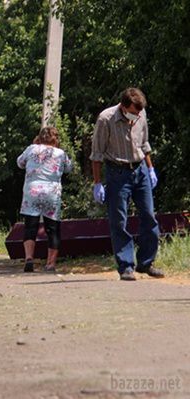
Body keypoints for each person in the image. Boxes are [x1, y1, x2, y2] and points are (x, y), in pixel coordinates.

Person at [90, 87, 164, 281]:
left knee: (149, 216)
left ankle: (146, 262)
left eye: (139, 112)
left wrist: (150, 169)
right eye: (133, 112)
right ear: (123, 107)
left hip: (140, 170)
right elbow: (96, 153)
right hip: (117, 172)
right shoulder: (106, 119)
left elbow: (144, 144)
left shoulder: (141, 113)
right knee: (119, 220)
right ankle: (126, 266)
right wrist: (97, 183)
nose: (137, 116)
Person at [17, 127, 72, 272]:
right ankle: (50, 263)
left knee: (30, 226)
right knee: (52, 228)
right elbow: (69, 168)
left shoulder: (31, 148)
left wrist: (34, 146)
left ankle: (29, 258)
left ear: (39, 137)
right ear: (56, 138)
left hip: (32, 191)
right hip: (51, 192)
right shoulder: (60, 153)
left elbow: (20, 163)